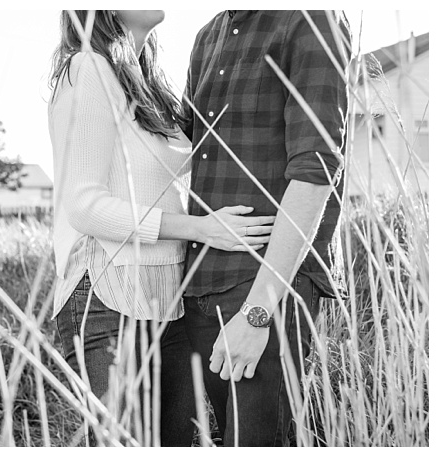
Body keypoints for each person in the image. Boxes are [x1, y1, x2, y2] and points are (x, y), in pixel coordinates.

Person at [48, 10, 276, 446]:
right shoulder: (87, 67)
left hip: (168, 301)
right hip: (107, 295)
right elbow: (84, 206)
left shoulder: (148, 82)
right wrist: (201, 229)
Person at [181, 10, 352, 446]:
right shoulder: (208, 35)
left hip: (266, 289)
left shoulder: (309, 17)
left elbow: (315, 171)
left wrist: (258, 315)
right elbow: (181, 148)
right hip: (200, 286)